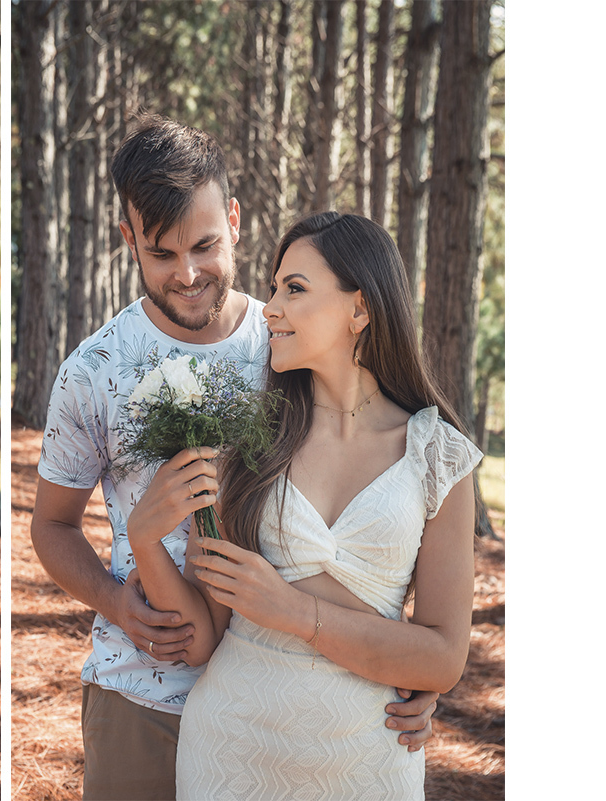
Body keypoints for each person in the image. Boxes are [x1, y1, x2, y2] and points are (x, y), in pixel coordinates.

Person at [29, 115, 438, 801]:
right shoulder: (91, 369)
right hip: (141, 695)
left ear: (236, 220)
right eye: (161, 253)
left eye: (205, 245)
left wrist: (413, 671)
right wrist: (113, 601)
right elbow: (52, 524)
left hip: (287, 707)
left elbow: (375, 507)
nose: (187, 274)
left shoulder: (293, 349)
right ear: (128, 240)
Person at [124, 211, 481, 799]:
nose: (271, 308)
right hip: (230, 755)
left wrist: (293, 612)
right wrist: (145, 539)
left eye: (294, 289)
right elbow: (202, 638)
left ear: (359, 308)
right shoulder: (243, 443)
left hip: (369, 762)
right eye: (271, 289)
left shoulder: (438, 455)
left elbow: (442, 657)